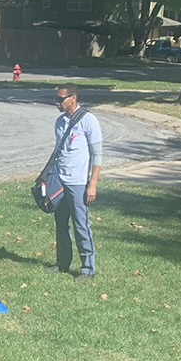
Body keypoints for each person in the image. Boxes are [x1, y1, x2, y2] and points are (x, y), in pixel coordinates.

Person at [46, 83, 102, 282]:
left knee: (81, 225)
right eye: (56, 99)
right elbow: (58, 151)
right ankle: (63, 262)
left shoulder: (89, 121)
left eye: (61, 99)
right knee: (61, 224)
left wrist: (92, 184)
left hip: (78, 183)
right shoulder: (60, 122)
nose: (57, 103)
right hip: (60, 181)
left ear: (73, 98)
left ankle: (87, 267)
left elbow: (97, 155)